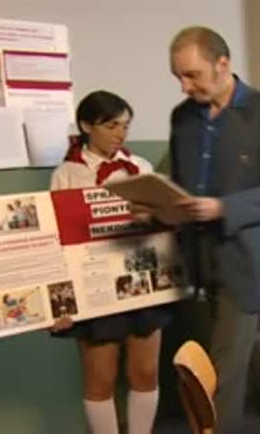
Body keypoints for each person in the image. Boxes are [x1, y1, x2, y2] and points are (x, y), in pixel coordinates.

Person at [153, 26, 260, 433]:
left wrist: (224, 208)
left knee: (223, 375)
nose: (185, 87)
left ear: (223, 64)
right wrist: (157, 206)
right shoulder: (182, 118)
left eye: (193, 75)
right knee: (229, 360)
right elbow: (182, 185)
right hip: (199, 260)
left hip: (249, 263)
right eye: (178, 77)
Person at [50, 90, 172, 434]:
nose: (120, 134)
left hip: (141, 281)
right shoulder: (66, 174)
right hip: (93, 287)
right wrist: (58, 303)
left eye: (125, 126)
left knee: (144, 372)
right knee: (100, 379)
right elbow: (58, 240)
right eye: (111, 125)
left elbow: (162, 227)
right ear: (87, 126)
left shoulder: (141, 168)